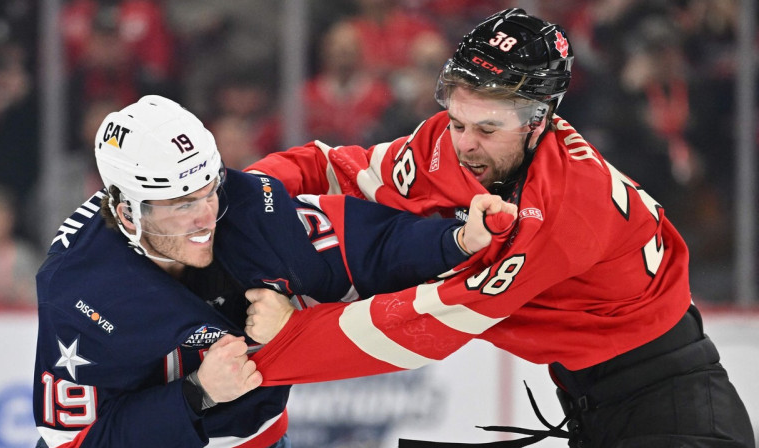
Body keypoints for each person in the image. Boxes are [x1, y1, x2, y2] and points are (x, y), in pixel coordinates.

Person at [243, 8, 755, 448]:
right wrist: (236, 196)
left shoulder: (562, 207)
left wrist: (285, 341)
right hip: (594, 399)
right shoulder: (453, 142)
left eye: (487, 130)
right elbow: (340, 168)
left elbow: (431, 326)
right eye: (458, 121)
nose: (465, 144)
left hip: (675, 411)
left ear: (539, 121)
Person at [32, 95, 511, 447]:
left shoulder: (247, 210)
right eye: (181, 205)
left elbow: (367, 245)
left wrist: (455, 240)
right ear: (128, 213)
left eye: (207, 190)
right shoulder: (78, 289)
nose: (204, 217)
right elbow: (78, 441)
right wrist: (197, 395)